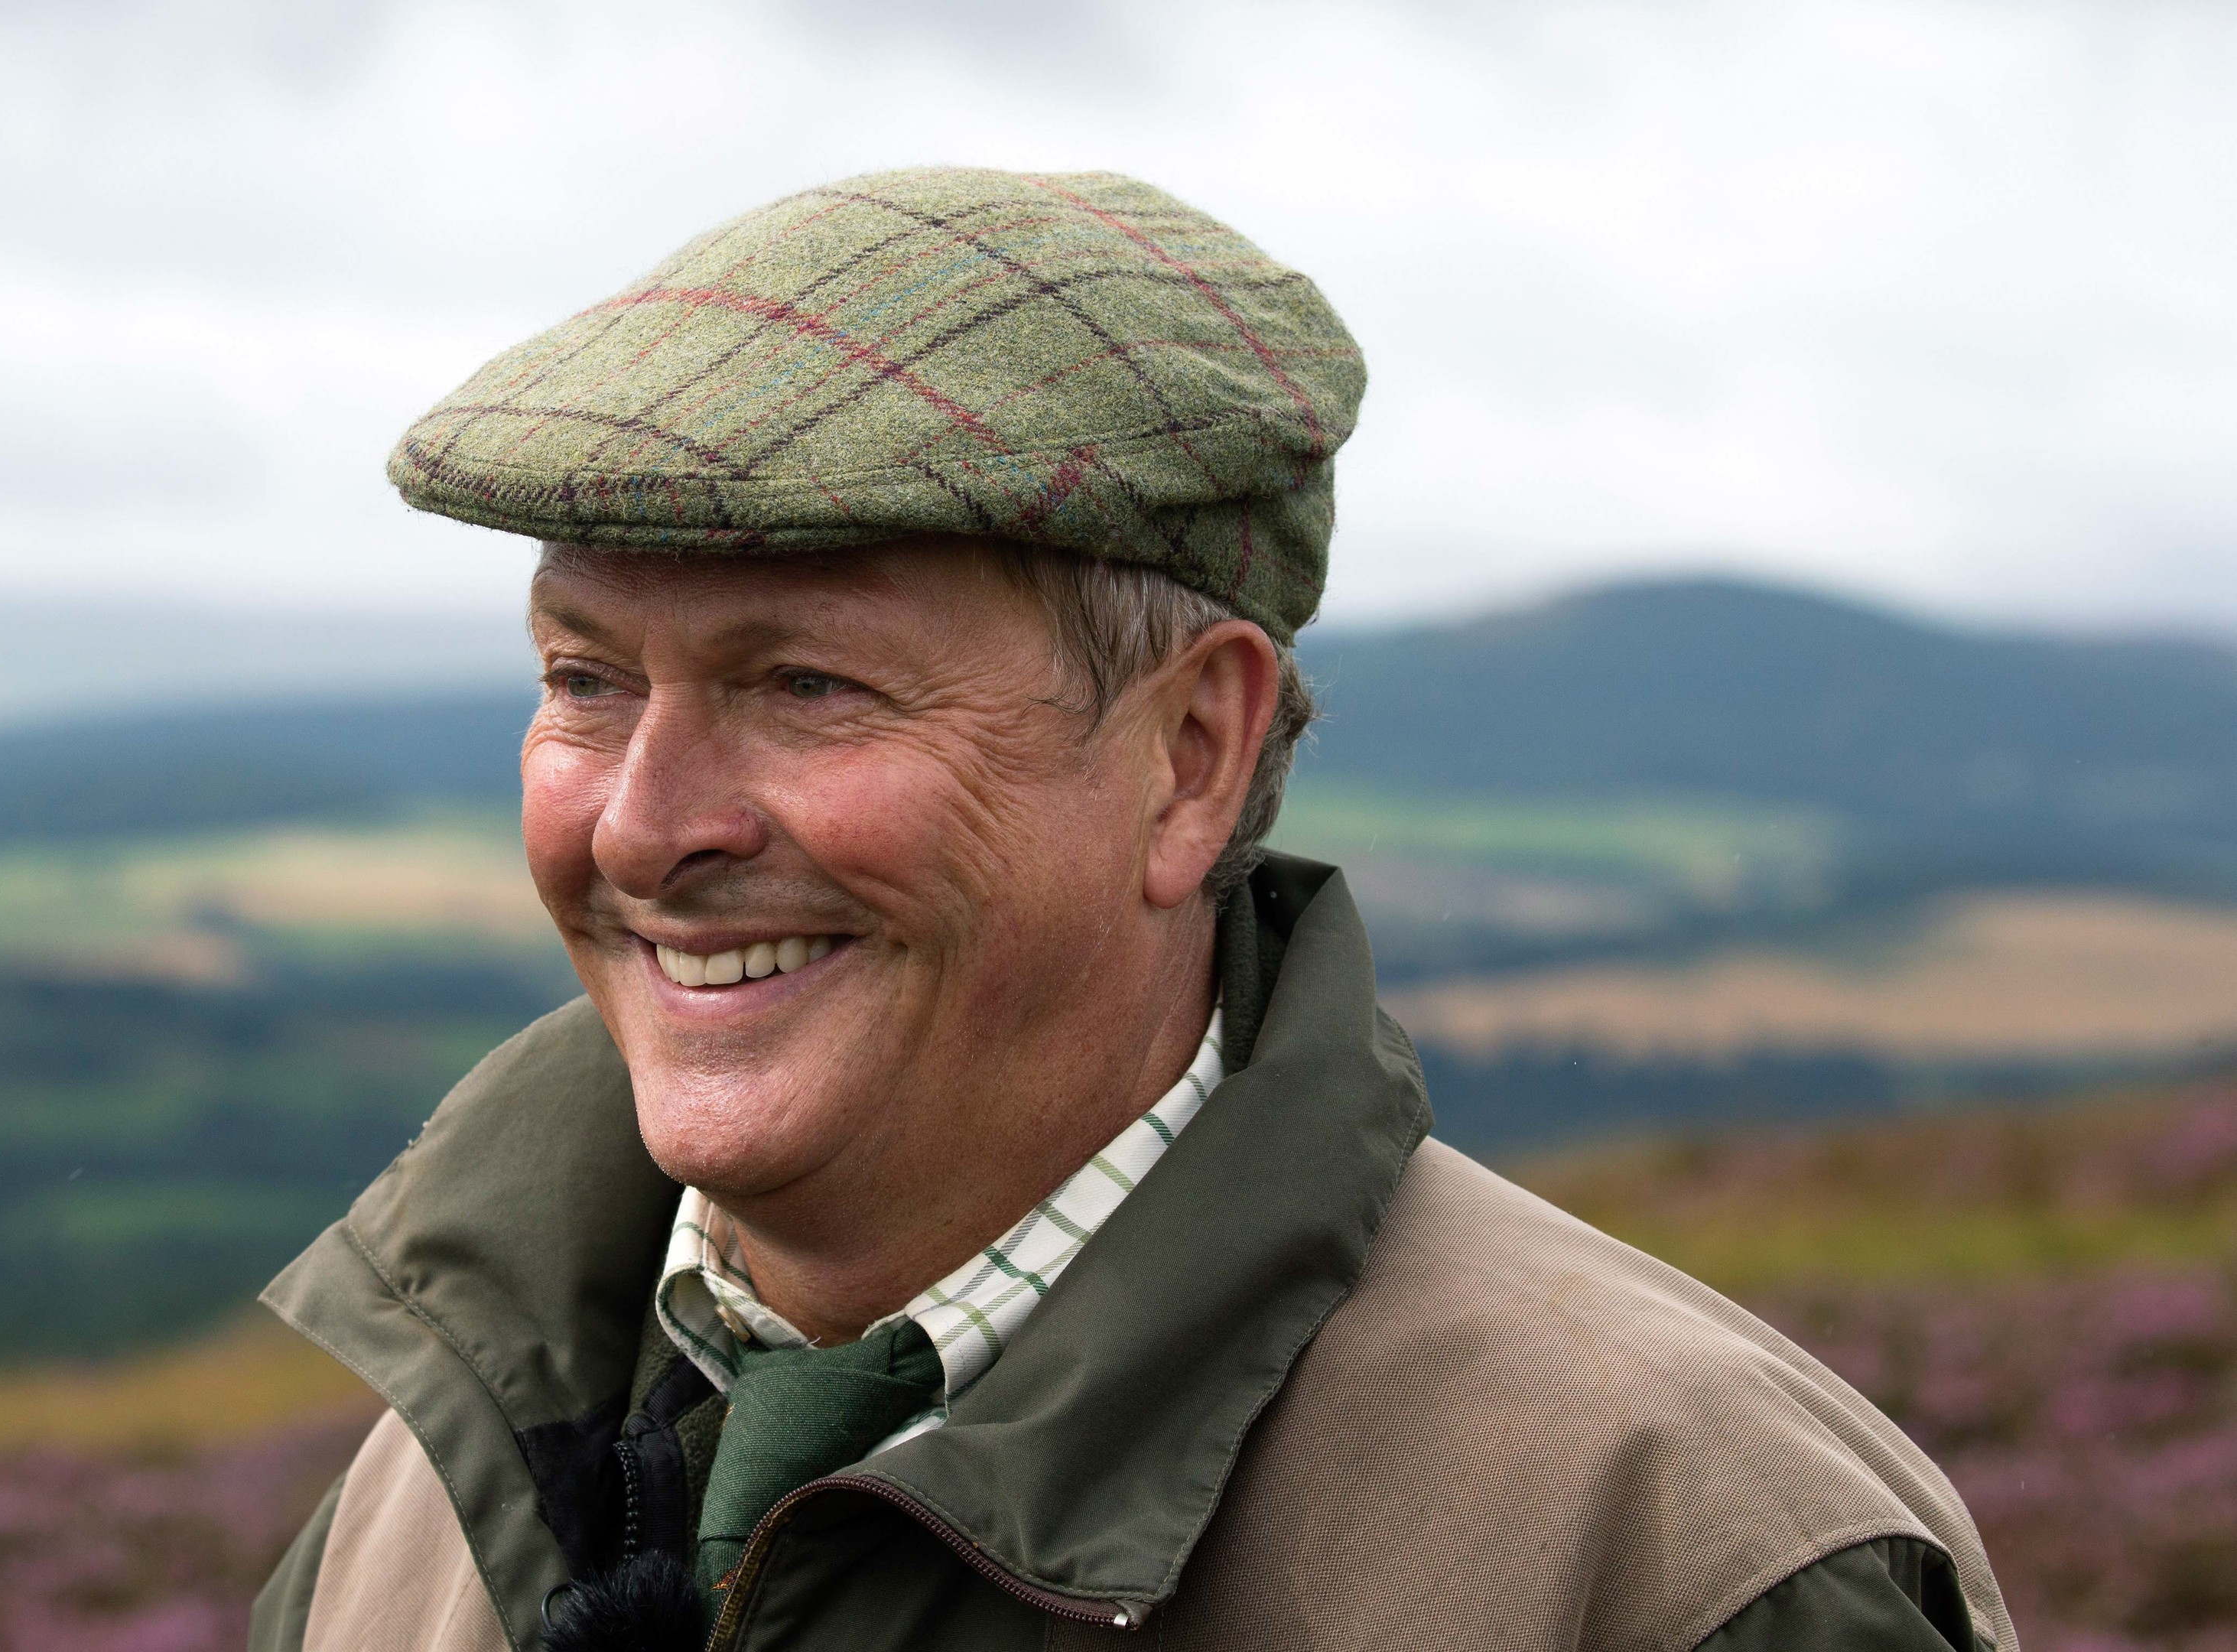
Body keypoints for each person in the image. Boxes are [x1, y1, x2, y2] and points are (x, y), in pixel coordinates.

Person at [249, 167, 2013, 1652]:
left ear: (1187, 753)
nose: (644, 829)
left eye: (805, 687)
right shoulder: (437, 1486)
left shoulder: (1678, 1560)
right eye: (585, 679)